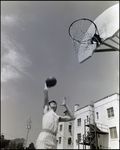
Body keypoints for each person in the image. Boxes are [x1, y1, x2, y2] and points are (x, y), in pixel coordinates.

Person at [35, 82, 76, 149]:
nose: (54, 103)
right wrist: (46, 87)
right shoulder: (46, 111)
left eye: (55, 103)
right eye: (52, 102)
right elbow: (45, 96)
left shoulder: (58, 117)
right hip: (44, 137)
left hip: (53, 139)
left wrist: (66, 105)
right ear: (49, 105)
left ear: (56, 107)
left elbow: (73, 117)